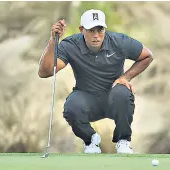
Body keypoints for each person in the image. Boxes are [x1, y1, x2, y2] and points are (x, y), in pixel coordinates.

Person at [38, 9, 153, 154]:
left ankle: (123, 141)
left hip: (113, 97)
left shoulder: (119, 41)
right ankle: (91, 140)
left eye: (100, 30)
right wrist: (53, 41)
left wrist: (126, 77)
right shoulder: (70, 45)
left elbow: (147, 56)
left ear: (105, 29)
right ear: (81, 30)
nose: (96, 35)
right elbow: (45, 72)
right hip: (86, 98)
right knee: (71, 106)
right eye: (91, 30)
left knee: (123, 92)